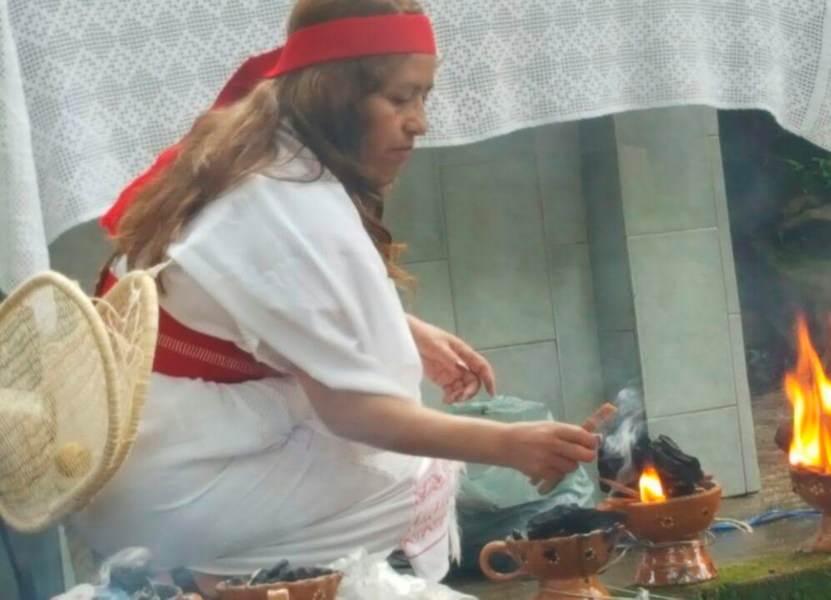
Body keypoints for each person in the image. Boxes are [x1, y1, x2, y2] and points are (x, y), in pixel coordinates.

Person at [69, 0, 597, 594]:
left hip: (133, 454)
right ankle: (216, 581)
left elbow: (243, 301)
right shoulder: (290, 201)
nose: (419, 122)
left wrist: (405, 330)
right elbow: (355, 411)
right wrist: (511, 445)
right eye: (400, 98)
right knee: (412, 474)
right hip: (162, 494)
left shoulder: (253, 146)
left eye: (425, 97)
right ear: (335, 95)